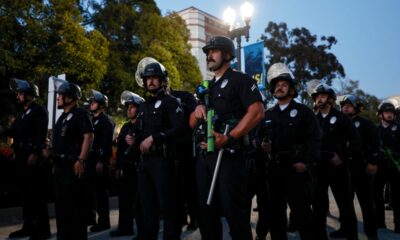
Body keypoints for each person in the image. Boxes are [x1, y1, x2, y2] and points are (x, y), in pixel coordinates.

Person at [190, 35, 264, 240]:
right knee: (205, 214)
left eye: (213, 51)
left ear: (227, 54)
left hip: (229, 157)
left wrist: (229, 137)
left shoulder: (240, 80)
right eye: (207, 53)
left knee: (235, 215)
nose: (209, 56)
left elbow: (257, 111)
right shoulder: (206, 87)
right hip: (205, 157)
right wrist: (197, 109)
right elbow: (191, 123)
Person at [258, 63, 319, 240]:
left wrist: (306, 163)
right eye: (276, 85)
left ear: (292, 89)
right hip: (274, 171)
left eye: (284, 84)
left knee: (303, 216)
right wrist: (262, 145)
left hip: (297, 170)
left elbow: (315, 140)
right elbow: (257, 137)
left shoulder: (304, 112)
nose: (279, 87)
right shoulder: (268, 114)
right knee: (276, 216)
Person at [132, 61, 184, 239]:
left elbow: (179, 128)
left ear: (162, 81)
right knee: (147, 209)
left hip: (164, 161)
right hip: (145, 162)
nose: (151, 81)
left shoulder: (171, 102)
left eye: (155, 78)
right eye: (148, 78)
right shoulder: (143, 106)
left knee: (168, 208)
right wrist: (134, 139)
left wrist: (155, 137)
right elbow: (141, 132)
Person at [310, 83, 361, 240]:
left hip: (338, 167)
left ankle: (350, 234)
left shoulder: (341, 118)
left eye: (323, 96)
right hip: (318, 168)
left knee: (345, 204)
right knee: (318, 206)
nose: (319, 99)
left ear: (331, 99)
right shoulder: (312, 119)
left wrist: (342, 157)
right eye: (317, 96)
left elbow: (355, 141)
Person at [5, 78, 50, 240]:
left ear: (30, 95)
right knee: (26, 195)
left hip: (32, 157)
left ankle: (42, 230)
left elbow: (40, 134)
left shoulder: (38, 110)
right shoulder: (22, 113)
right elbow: (14, 132)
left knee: (36, 194)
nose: (18, 96)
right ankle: (28, 226)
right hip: (21, 157)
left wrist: (35, 153)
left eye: (21, 93)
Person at [52, 78, 94, 240]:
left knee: (75, 209)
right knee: (61, 208)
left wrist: (81, 160)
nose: (58, 98)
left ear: (70, 97)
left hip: (73, 166)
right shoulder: (62, 118)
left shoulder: (80, 114)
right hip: (60, 168)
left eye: (61, 95)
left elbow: (88, 136)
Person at [339, 95, 379, 240]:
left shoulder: (367, 124)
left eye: (349, 105)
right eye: (344, 105)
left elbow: (375, 145)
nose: (346, 107)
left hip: (362, 169)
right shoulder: (338, 123)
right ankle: (345, 229)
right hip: (343, 169)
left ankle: (372, 233)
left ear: (356, 108)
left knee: (367, 203)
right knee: (345, 204)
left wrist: (373, 162)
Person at [110, 91, 144, 238]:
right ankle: (125, 227)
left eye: (132, 107)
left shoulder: (143, 125)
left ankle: (143, 232)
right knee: (124, 200)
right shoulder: (125, 127)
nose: (129, 109)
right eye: (128, 107)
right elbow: (120, 149)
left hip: (140, 168)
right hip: (126, 168)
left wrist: (137, 142)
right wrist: (117, 166)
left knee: (140, 202)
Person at [169, 88, 199, 230]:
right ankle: (180, 218)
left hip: (186, 146)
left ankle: (195, 217)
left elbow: (195, 115)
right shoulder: (155, 100)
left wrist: (186, 134)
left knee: (189, 184)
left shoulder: (184, 96)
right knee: (174, 186)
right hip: (168, 148)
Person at [86, 89, 115, 232]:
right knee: (90, 190)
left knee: (101, 192)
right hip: (90, 160)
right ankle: (90, 218)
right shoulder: (92, 120)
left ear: (102, 105)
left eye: (94, 102)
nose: (91, 104)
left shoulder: (106, 121)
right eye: (91, 101)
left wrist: (102, 161)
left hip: (99, 160)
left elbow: (107, 143)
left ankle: (104, 221)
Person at [374, 101, 400, 233]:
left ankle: (398, 224)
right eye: (386, 112)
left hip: (395, 167)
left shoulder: (399, 128)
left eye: (391, 113)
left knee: (397, 196)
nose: (389, 115)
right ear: (380, 114)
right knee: (377, 195)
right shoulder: (375, 129)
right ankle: (380, 222)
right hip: (379, 167)